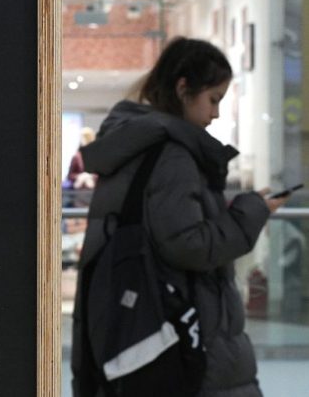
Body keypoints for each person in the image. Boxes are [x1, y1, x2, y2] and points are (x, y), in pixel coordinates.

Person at [71, 37, 290, 397]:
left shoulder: (134, 146)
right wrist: (251, 214)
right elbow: (189, 245)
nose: (215, 114)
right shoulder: (172, 155)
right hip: (186, 340)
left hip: (140, 334)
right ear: (183, 89)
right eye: (213, 99)